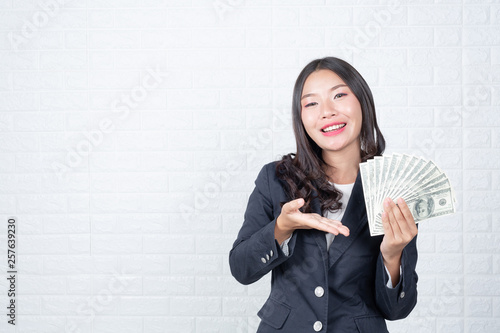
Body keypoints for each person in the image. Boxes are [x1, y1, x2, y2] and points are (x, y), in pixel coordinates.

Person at [229, 57, 419, 332]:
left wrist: (392, 255)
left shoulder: (393, 187)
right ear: (301, 117)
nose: (327, 112)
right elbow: (241, 269)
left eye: (339, 95)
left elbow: (398, 310)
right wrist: (282, 228)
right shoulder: (275, 179)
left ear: (362, 102)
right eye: (311, 103)